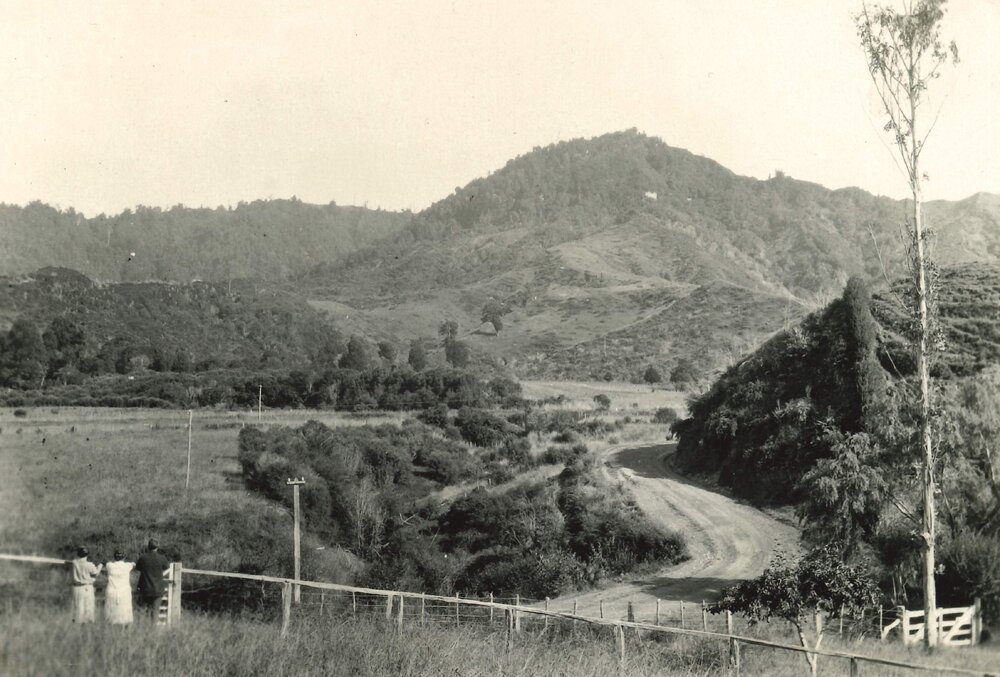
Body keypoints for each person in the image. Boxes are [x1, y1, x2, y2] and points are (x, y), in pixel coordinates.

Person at [134, 538, 170, 620]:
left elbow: (138, 568)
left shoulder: (143, 558)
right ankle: (153, 628)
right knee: (155, 612)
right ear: (157, 547)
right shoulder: (162, 558)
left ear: (148, 546)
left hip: (145, 588)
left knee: (142, 611)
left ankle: (142, 627)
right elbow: (167, 567)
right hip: (158, 589)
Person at [70, 546, 103, 623]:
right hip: (87, 587)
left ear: (78, 554)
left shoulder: (74, 563)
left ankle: (76, 623)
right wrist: (100, 566)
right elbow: (96, 573)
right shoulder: (89, 565)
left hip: (76, 587)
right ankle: (86, 624)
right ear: (87, 554)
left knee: (77, 607)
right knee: (88, 607)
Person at [104, 549, 135, 625]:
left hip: (112, 590)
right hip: (124, 591)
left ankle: (110, 626)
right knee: (125, 611)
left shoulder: (109, 565)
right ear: (124, 557)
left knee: (111, 611)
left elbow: (106, 564)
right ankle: (124, 628)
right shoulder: (127, 565)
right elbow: (133, 564)